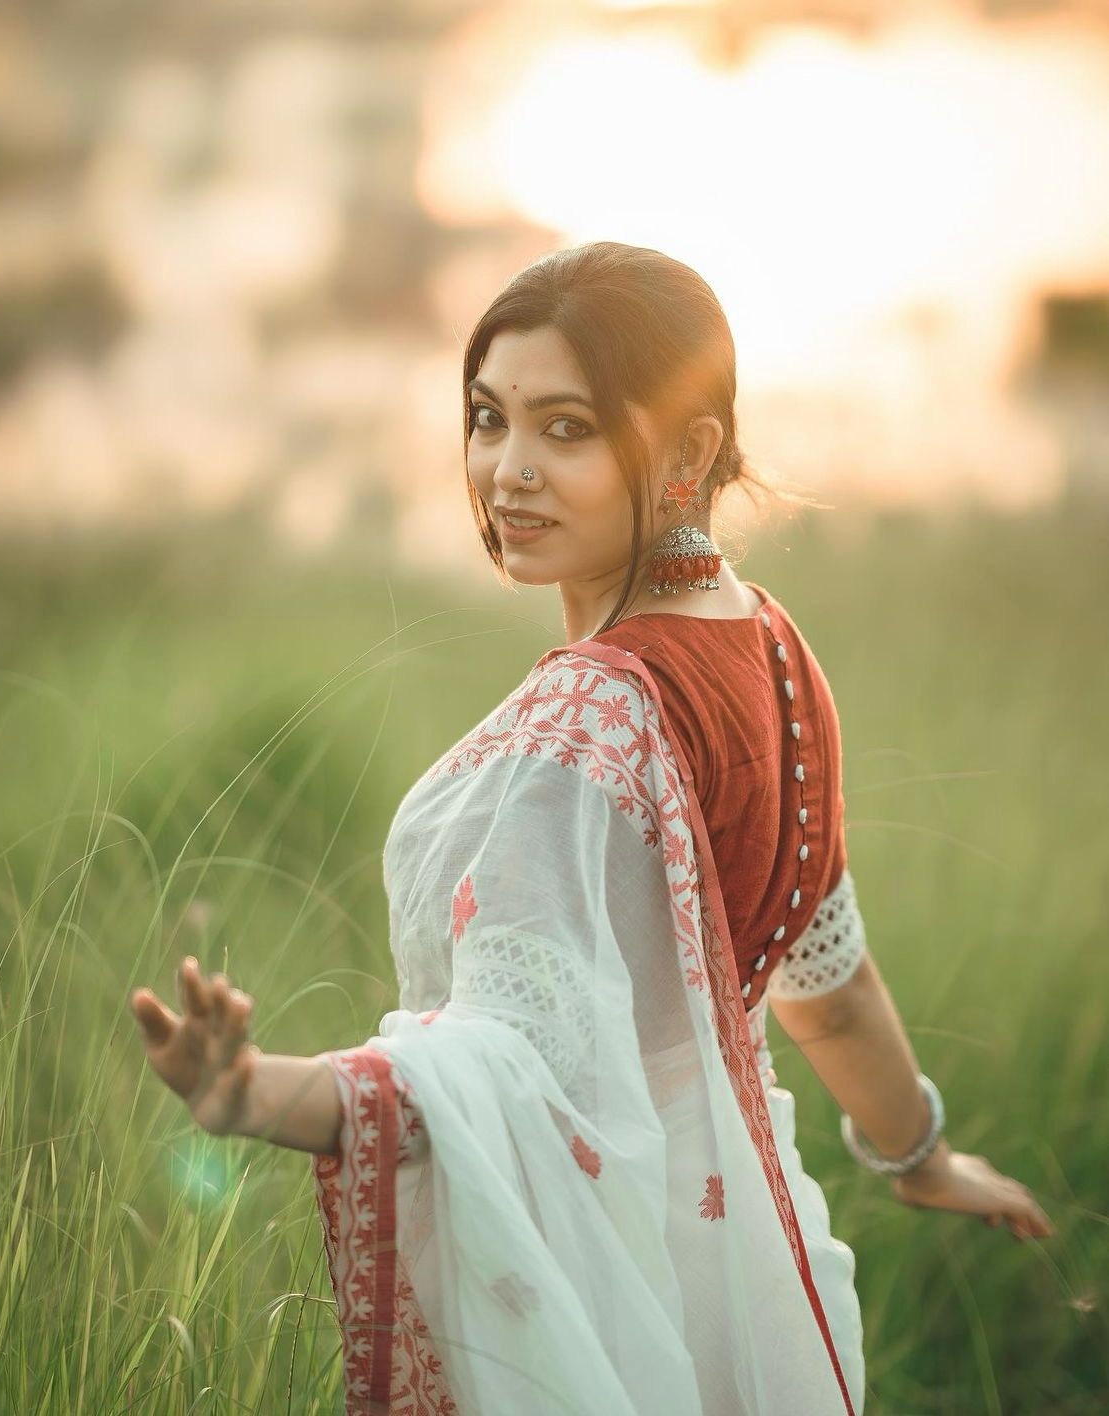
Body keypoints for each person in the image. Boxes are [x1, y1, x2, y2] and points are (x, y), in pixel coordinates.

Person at [130, 242, 1054, 1415]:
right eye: (488, 418)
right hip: (762, 1275)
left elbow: (501, 1077)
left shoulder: (587, 730)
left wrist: (257, 1095)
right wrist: (919, 1156)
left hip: (619, 1285)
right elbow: (828, 981)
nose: (507, 472)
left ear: (686, 453)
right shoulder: (772, 647)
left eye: (565, 429)